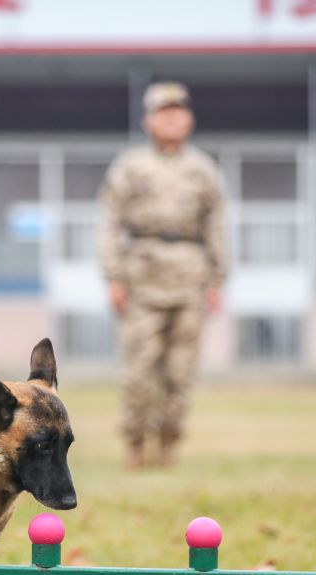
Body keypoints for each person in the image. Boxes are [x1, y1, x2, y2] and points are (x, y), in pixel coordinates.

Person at [98, 81, 228, 469]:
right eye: (162, 112)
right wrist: (114, 277)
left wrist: (218, 280)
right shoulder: (130, 168)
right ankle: (135, 445)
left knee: (180, 372)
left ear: (188, 119)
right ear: (148, 120)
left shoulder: (203, 170)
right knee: (139, 369)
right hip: (142, 276)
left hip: (191, 278)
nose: (171, 118)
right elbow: (108, 222)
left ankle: (168, 444)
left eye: (178, 111)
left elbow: (217, 225)